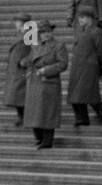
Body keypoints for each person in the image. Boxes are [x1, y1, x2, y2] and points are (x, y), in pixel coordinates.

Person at [24, 21, 69, 150]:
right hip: (35, 82)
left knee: (47, 113)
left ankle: (47, 141)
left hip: (49, 82)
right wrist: (25, 66)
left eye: (48, 32)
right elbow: (30, 60)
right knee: (35, 112)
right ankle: (39, 138)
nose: (46, 35)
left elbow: (63, 64)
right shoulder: (35, 45)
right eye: (43, 32)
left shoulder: (59, 46)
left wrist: (46, 70)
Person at [68, 3, 102, 127]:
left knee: (85, 93)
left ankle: (96, 108)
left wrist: (98, 64)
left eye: (83, 17)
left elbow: (101, 51)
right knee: (76, 95)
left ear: (90, 18)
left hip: (89, 67)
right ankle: (81, 118)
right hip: (77, 68)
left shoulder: (96, 32)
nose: (80, 20)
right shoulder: (80, 32)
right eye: (79, 17)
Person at [3, 12, 32, 127]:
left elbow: (36, 50)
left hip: (23, 69)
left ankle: (25, 116)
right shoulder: (19, 34)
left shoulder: (30, 35)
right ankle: (21, 116)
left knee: (21, 94)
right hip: (15, 70)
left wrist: (25, 61)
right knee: (17, 94)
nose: (16, 24)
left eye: (18, 22)